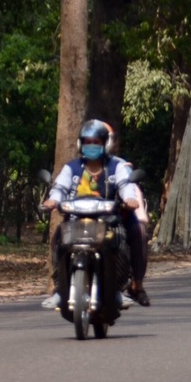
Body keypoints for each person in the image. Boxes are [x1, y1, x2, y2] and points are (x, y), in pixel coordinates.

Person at [41, 119, 150, 311]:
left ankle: (125, 286)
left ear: (106, 143)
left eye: (96, 143)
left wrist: (130, 200)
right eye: (87, 142)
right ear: (80, 144)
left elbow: (126, 186)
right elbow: (59, 187)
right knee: (59, 238)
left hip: (108, 221)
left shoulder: (117, 166)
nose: (92, 146)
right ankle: (60, 289)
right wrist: (52, 201)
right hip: (76, 220)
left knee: (122, 240)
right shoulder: (71, 168)